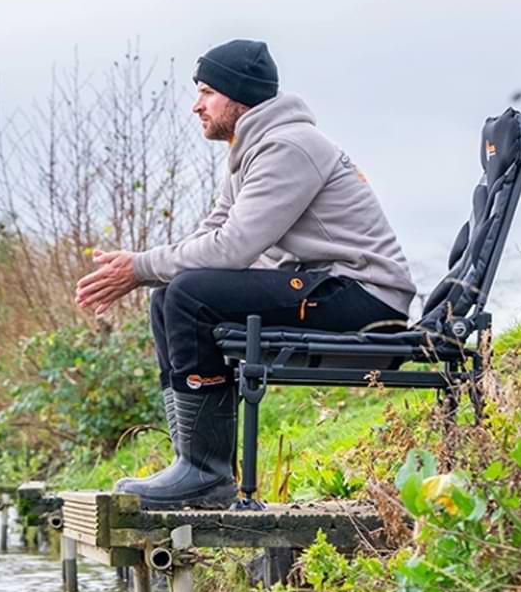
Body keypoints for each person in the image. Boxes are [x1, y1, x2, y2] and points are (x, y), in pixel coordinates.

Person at [75, 39, 416, 509]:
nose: (196, 105)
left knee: (189, 293)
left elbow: (233, 248)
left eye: (207, 92)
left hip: (365, 300)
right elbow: (213, 232)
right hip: (329, 287)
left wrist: (139, 266)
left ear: (240, 96)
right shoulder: (251, 148)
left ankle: (205, 474)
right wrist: (145, 270)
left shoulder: (290, 147)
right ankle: (191, 463)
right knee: (170, 294)